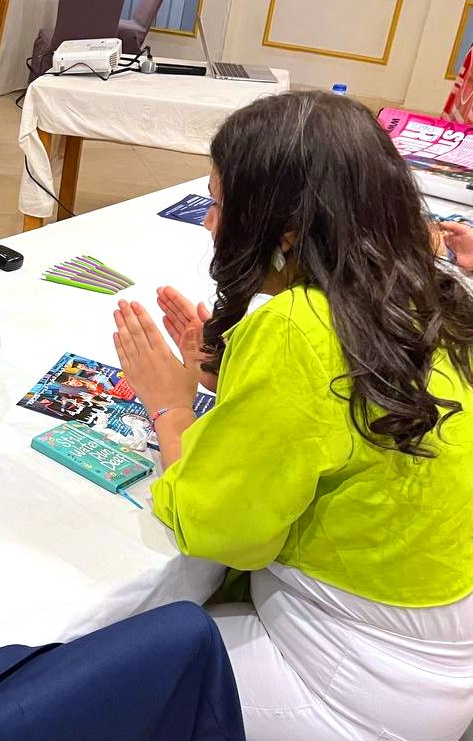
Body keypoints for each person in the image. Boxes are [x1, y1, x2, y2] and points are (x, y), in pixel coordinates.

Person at [110, 91, 473, 740]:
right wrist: (233, 383)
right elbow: (339, 425)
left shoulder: (295, 329)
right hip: (439, 664)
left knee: (103, 665)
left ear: (283, 227)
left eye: (220, 203)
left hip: (352, 682)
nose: (209, 224)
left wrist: (168, 401)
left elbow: (218, 532)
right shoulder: (430, 291)